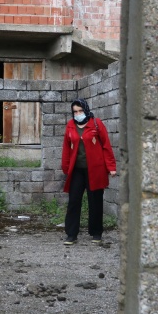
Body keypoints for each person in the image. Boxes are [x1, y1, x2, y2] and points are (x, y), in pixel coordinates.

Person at [61, 98, 116, 245]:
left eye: (80, 110)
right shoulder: (71, 125)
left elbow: (106, 146)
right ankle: (71, 234)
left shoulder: (96, 124)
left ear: (86, 109)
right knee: (73, 201)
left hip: (95, 170)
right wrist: (65, 167)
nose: (78, 114)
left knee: (95, 201)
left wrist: (111, 167)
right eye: (75, 111)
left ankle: (96, 233)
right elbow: (67, 147)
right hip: (77, 171)